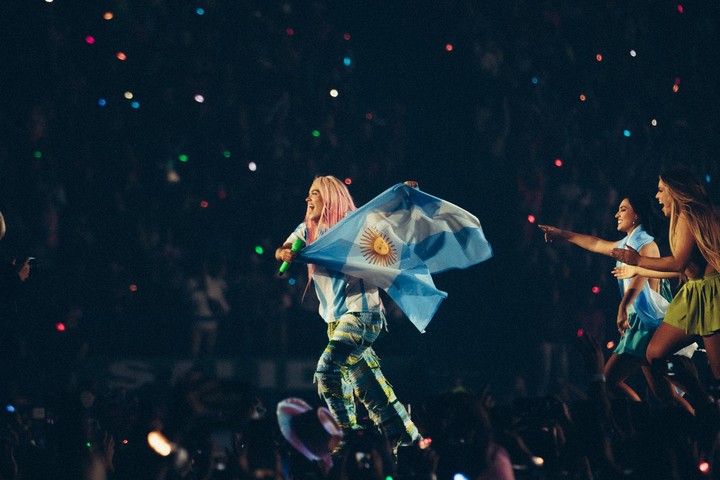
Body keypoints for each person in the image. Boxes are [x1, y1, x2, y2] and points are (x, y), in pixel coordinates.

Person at [275, 176, 421, 454]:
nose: (308, 199)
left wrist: (402, 195)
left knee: (328, 370)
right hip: (335, 323)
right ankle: (409, 442)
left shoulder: (355, 223)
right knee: (371, 389)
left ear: (330, 196)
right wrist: (285, 254)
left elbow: (383, 213)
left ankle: (344, 440)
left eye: (315, 193)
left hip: (362, 315)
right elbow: (280, 249)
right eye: (308, 194)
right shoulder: (307, 230)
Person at [538, 194, 685, 405]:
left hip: (645, 328)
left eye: (623, 209)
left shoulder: (647, 244)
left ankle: (686, 419)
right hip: (640, 327)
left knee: (610, 380)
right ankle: (689, 420)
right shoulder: (626, 243)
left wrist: (624, 305)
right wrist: (561, 234)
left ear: (637, 215)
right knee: (661, 393)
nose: (617, 214)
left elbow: (642, 274)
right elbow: (595, 243)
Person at [611, 169, 720, 409]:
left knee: (718, 371)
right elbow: (681, 269)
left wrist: (637, 261)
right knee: (655, 356)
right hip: (693, 294)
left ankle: (705, 403)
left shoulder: (689, 215)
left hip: (710, 296)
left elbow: (677, 262)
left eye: (661, 190)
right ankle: (701, 398)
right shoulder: (684, 217)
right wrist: (640, 271)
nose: (658, 196)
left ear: (677, 190)